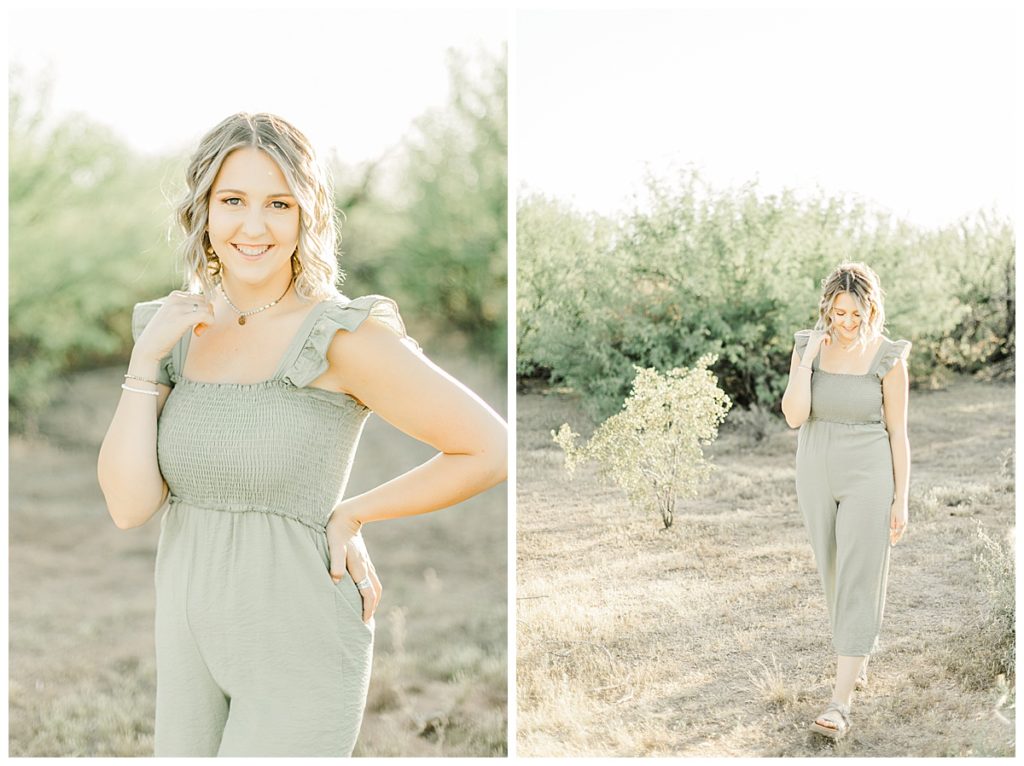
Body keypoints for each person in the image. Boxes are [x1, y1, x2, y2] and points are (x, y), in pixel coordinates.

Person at [96, 112, 508, 756]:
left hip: (301, 638)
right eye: (232, 201)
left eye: (278, 204)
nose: (253, 226)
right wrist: (144, 362)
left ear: (306, 215)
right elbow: (128, 507)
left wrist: (353, 514)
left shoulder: (340, 337)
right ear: (202, 208)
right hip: (186, 639)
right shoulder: (173, 331)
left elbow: (488, 447)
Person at [780, 261, 911, 740]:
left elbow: (898, 432)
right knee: (834, 572)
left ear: (871, 309)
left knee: (860, 575)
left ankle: (839, 704)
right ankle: (856, 659)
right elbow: (795, 416)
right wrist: (805, 359)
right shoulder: (808, 347)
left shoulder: (887, 357)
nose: (847, 322)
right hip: (815, 469)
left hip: (869, 472)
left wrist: (902, 499)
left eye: (856, 314)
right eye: (838, 313)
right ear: (827, 308)